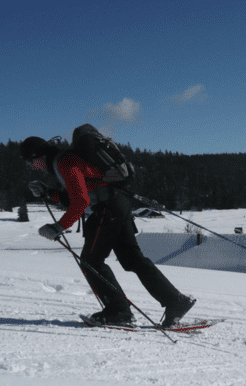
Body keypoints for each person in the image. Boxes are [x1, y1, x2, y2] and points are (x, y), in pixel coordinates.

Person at [19, 133, 195, 327]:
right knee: (133, 259)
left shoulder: (64, 162)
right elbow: (81, 195)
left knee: (91, 261)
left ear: (39, 156)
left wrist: (58, 227)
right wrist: (48, 192)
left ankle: (118, 312)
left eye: (30, 162)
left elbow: (81, 201)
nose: (31, 167)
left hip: (107, 209)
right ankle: (175, 302)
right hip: (117, 203)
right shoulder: (65, 161)